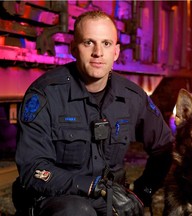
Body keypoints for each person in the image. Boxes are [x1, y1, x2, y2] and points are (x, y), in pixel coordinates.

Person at [13, 10, 174, 216]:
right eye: (88, 42)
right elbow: (32, 168)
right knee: (77, 211)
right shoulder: (46, 95)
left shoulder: (132, 97)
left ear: (115, 52)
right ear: (74, 49)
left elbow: (164, 147)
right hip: (56, 199)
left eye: (106, 44)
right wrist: (93, 186)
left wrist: (143, 192)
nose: (98, 52)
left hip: (108, 199)